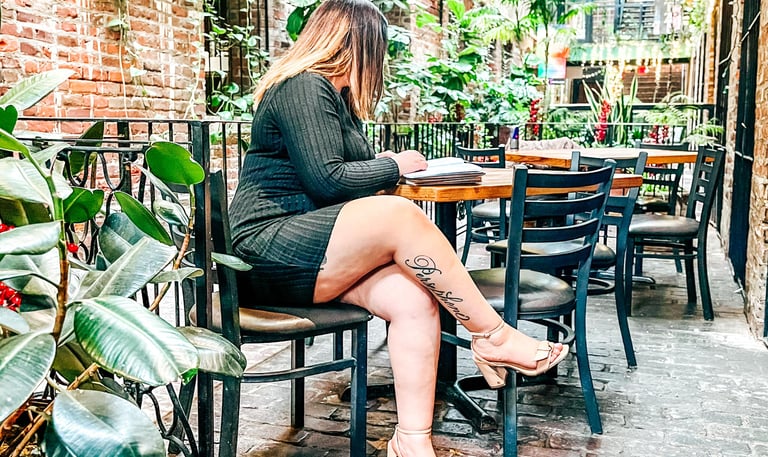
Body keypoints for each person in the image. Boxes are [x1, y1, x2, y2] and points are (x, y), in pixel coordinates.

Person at [228, 0, 568, 455]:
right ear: (361, 45)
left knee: (415, 300)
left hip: (307, 248)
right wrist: (392, 162)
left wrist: (382, 166)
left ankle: (411, 442)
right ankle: (492, 335)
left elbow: (343, 175)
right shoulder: (304, 87)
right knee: (403, 215)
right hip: (263, 248)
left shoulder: (335, 99)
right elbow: (329, 180)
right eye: (380, 49)